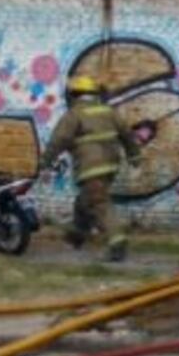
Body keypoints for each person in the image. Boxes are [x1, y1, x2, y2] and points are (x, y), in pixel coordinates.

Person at [38, 75, 141, 262]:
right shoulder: (109, 111)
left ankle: (117, 243)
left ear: (74, 95)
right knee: (84, 202)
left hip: (91, 166)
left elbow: (59, 139)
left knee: (99, 203)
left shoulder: (75, 114)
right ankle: (77, 236)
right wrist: (134, 155)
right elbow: (127, 134)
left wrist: (45, 161)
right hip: (111, 165)